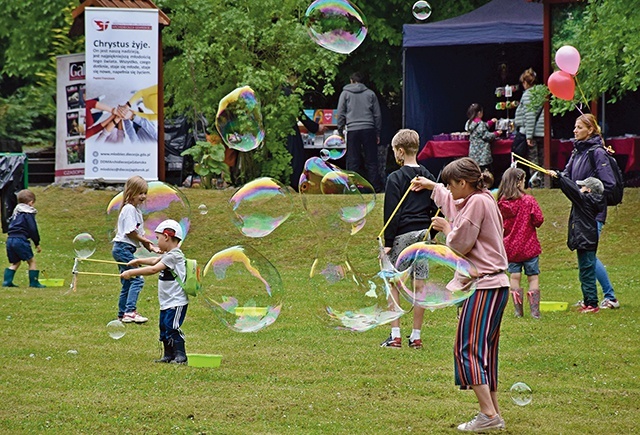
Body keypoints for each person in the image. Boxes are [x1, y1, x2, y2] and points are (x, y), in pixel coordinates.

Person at [411, 157, 509, 432]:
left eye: (450, 185)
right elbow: (455, 204)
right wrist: (434, 187)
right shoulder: (481, 197)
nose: (449, 190)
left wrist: (445, 229)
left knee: (467, 348)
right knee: (485, 351)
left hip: (485, 286)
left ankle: (488, 415)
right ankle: (493, 414)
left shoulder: (476, 202)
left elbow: (461, 242)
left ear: (463, 182)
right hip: (493, 286)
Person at [380, 129, 438, 349]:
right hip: (422, 235)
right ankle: (416, 336)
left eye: (395, 150)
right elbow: (437, 209)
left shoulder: (395, 178)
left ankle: (395, 335)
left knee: (394, 282)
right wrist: (431, 235)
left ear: (401, 152)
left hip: (402, 235)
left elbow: (392, 212)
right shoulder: (428, 177)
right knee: (419, 284)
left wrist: (387, 243)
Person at [562, 114, 620, 309]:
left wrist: (587, 193)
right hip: (580, 212)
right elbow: (566, 176)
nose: (574, 130)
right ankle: (590, 297)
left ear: (590, 130)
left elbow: (608, 185)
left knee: (589, 256)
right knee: (584, 255)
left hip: (593, 212)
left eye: (579, 127)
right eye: (575, 127)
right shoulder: (576, 152)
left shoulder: (597, 153)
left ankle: (610, 297)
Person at [121, 219, 189, 364]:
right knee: (164, 328)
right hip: (167, 302)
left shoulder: (175, 255)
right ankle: (168, 355)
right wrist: (137, 260)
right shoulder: (169, 254)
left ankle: (180, 355)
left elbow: (154, 269)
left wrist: (132, 273)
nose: (157, 242)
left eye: (157, 238)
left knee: (172, 327)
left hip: (176, 301)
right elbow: (153, 261)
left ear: (166, 236)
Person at [497, 167, 544, 318]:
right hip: (529, 246)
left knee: (514, 277)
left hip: (510, 247)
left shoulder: (501, 203)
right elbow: (538, 219)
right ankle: (535, 312)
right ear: (518, 183)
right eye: (523, 180)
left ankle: (518, 312)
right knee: (533, 277)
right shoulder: (528, 200)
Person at [112, 176, 160, 323]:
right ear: (131, 192)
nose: (143, 196)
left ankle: (123, 314)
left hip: (123, 249)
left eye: (145, 193)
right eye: (140, 193)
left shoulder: (135, 210)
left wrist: (150, 246)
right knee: (138, 280)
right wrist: (145, 241)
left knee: (128, 281)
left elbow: (137, 234)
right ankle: (130, 312)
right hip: (123, 249)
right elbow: (130, 232)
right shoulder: (129, 209)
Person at [555, 174, 606, 313]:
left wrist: (560, 178)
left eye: (583, 186)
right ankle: (588, 301)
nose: (580, 188)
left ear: (588, 190)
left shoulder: (586, 201)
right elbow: (573, 192)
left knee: (587, 273)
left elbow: (572, 191)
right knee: (585, 273)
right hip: (586, 240)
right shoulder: (587, 200)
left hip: (586, 240)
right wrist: (559, 179)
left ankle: (592, 304)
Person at [336, 72, 384, 192]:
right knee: (372, 160)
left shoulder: (345, 93)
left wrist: (340, 129)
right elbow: (377, 115)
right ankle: (375, 188)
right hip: (369, 128)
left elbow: (341, 112)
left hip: (352, 129)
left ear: (351, 80)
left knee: (353, 160)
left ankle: (353, 188)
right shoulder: (370, 94)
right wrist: (377, 132)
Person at [3, 189, 46, 288]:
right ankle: (34, 282)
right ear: (31, 202)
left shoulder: (16, 212)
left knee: (16, 262)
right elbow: (32, 229)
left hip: (10, 240)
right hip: (20, 240)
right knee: (31, 261)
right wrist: (37, 243)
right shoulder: (28, 213)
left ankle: (7, 281)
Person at [513, 68, 545, 186]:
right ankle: (543, 182)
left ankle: (536, 183)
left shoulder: (528, 95)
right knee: (543, 159)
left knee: (533, 160)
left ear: (526, 82)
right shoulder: (542, 93)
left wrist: (529, 136)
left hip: (533, 133)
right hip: (543, 132)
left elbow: (530, 116)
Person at [464, 103, 501, 173]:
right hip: (483, 154)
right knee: (485, 172)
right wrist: (496, 133)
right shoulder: (480, 124)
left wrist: (491, 122)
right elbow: (486, 136)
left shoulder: (470, 123)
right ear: (479, 113)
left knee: (476, 171)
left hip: (474, 154)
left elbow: (481, 128)